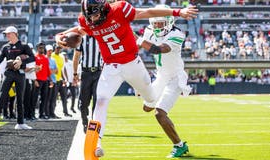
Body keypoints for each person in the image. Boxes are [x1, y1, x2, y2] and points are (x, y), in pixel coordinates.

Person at [55, 0, 198, 157]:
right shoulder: (86, 19)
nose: (93, 19)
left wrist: (177, 12)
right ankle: (96, 142)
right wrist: (59, 36)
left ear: (103, 9)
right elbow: (81, 30)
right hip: (111, 67)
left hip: (133, 64)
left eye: (96, 15)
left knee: (150, 98)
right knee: (101, 100)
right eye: (90, 16)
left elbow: (147, 13)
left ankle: (143, 90)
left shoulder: (120, 9)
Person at [135, 4, 192, 157]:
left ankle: (179, 145)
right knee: (147, 108)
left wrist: (138, 40)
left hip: (175, 78)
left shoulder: (177, 34)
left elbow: (159, 49)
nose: (158, 26)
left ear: (169, 21)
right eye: (155, 23)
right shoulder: (149, 31)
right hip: (161, 76)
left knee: (159, 113)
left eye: (161, 23)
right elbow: (136, 49)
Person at [0, 26, 35, 130]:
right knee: (2, 96)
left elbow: (32, 57)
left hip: (20, 73)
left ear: (14, 33)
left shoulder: (24, 46)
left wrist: (21, 62)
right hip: (9, 73)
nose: (6, 35)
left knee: (20, 98)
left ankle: (20, 123)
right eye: (6, 34)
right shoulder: (5, 47)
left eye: (8, 33)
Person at [73, 35, 102, 133]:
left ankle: (94, 124)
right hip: (86, 73)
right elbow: (76, 56)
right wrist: (75, 73)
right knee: (84, 102)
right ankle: (85, 122)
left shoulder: (101, 38)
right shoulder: (82, 39)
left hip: (98, 72)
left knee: (97, 100)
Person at [52, 45, 72, 117]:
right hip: (54, 79)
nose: (58, 49)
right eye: (57, 48)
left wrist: (65, 79)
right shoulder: (52, 55)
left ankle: (65, 112)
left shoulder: (62, 56)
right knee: (54, 97)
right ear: (54, 48)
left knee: (64, 97)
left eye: (60, 48)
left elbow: (63, 69)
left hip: (60, 79)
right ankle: (52, 112)